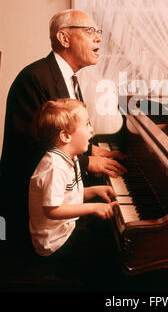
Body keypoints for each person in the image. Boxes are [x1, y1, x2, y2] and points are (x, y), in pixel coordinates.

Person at [0, 9, 126, 252]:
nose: (98, 38)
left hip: (57, 190)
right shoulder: (35, 78)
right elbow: (33, 145)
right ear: (64, 38)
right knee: (113, 241)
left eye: (97, 32)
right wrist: (89, 162)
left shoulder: (67, 77)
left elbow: (64, 131)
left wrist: (94, 150)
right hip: (26, 210)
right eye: (90, 31)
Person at [29, 98, 119, 288]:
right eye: (87, 124)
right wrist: (93, 208)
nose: (91, 130)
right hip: (54, 243)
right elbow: (52, 209)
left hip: (65, 229)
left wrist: (93, 191)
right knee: (107, 252)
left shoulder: (70, 157)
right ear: (65, 136)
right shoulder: (54, 167)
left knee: (107, 238)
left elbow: (68, 194)